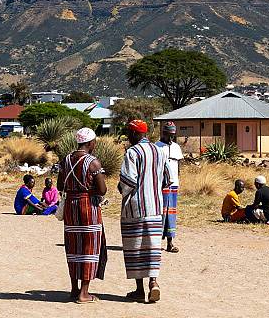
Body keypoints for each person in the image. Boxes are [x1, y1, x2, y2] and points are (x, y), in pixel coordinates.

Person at [119, 119, 171, 304]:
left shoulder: (132, 153)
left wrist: (120, 188)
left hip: (135, 208)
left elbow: (128, 181)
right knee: (152, 247)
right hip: (156, 208)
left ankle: (140, 289)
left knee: (136, 248)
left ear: (133, 134)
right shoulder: (159, 151)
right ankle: (154, 282)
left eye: (128, 133)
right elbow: (168, 179)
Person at [57, 127, 107, 304]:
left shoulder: (66, 161)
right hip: (88, 207)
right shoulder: (93, 163)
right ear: (90, 143)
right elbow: (102, 189)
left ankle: (74, 288)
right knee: (89, 246)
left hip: (71, 206)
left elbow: (60, 185)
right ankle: (84, 293)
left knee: (73, 246)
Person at [155, 121, 183, 253]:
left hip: (174, 185)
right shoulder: (156, 147)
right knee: (160, 212)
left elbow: (179, 166)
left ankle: (170, 243)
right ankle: (155, 242)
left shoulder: (177, 147)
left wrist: (177, 179)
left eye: (173, 135)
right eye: (169, 135)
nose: (171, 138)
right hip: (161, 185)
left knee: (171, 213)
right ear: (163, 133)